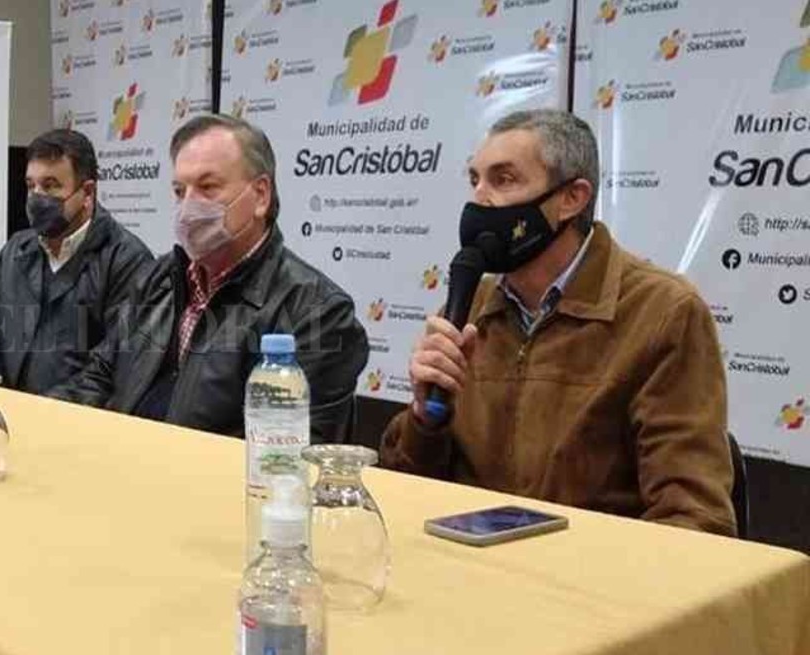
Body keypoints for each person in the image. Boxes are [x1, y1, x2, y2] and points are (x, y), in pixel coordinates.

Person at [380, 109, 735, 535]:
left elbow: (694, 518)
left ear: (572, 198)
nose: (479, 199)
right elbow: (404, 492)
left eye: (503, 179)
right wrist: (425, 419)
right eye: (474, 179)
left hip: (593, 569)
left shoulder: (663, 312)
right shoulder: (471, 305)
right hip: (469, 561)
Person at [51, 114, 368, 441]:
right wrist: (41, 420)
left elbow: (290, 453)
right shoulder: (157, 279)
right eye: (179, 191)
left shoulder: (317, 311)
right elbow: (100, 375)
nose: (188, 208)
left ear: (260, 195)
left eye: (207, 187)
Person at [0, 129, 152, 394]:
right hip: (5, 410)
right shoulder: (16, 250)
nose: (37, 197)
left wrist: (38, 411)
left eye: (51, 185)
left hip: (75, 417)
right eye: (31, 186)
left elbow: (111, 370)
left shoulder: (127, 261)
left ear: (87, 192)